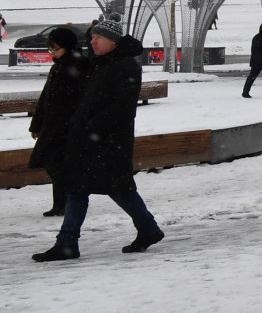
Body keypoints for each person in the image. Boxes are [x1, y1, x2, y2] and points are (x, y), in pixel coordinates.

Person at [33, 19, 165, 262]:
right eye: (91, 37)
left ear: (112, 41)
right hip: (89, 140)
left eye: (97, 38)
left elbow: (123, 108)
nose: (91, 41)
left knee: (118, 189)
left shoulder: (125, 66)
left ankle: (147, 229)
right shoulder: (98, 64)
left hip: (108, 142)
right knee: (80, 189)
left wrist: (91, 128)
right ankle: (68, 242)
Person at [28, 27, 91, 217]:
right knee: (54, 164)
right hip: (54, 125)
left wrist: (76, 123)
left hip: (68, 127)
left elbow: (83, 98)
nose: (52, 53)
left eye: (55, 48)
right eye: (50, 49)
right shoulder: (59, 66)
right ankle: (63, 203)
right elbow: (46, 97)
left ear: (66, 46)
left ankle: (66, 202)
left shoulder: (80, 66)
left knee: (58, 164)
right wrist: (37, 124)